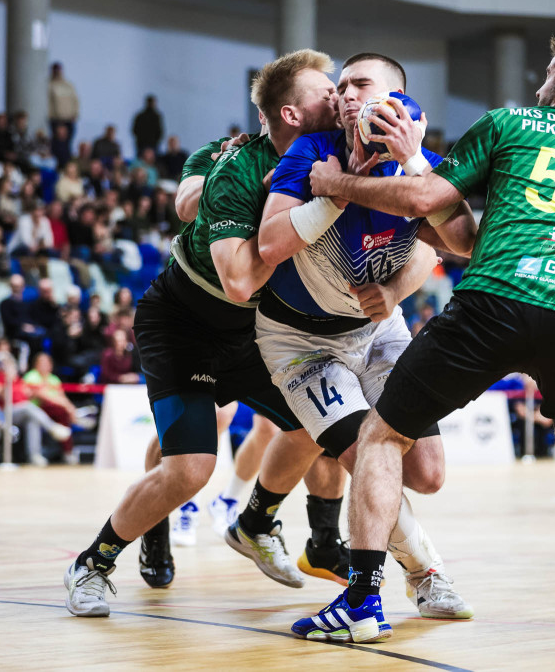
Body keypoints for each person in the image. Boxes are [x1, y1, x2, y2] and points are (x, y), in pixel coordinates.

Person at [299, 32, 555, 641]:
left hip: (499, 302)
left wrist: (338, 184)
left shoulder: (512, 121)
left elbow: (436, 206)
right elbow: (475, 231)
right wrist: (413, 161)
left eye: (548, 72)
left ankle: (360, 601)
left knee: (381, 435)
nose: (540, 80)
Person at [64, 49, 343, 617]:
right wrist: (296, 207)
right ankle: (93, 562)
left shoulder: (333, 156)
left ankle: (257, 521)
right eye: (326, 90)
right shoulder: (232, 162)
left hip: (255, 332)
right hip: (185, 321)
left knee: (322, 420)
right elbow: (217, 247)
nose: (338, 96)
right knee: (189, 467)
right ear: (288, 113)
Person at [235, 53, 477, 622]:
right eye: (339, 86)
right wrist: (335, 193)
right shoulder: (311, 154)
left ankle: (258, 519)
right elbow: (270, 243)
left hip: (378, 328)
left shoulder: (422, 166)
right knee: (366, 455)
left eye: (359, 83)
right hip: (301, 341)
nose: (345, 93)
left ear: (397, 96)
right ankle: (426, 575)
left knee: (427, 473)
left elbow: (453, 242)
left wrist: (394, 291)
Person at [48, 62, 79, 147]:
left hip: (69, 119)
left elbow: (75, 100)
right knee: (58, 144)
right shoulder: (49, 85)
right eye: (56, 70)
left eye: (59, 70)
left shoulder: (68, 85)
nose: (58, 72)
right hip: (56, 120)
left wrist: (75, 114)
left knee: (68, 144)